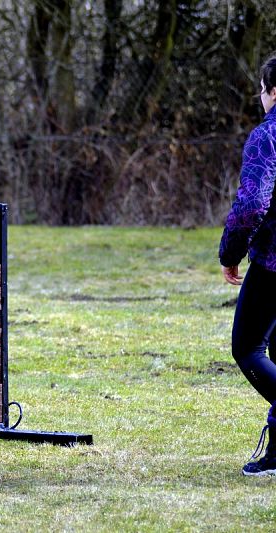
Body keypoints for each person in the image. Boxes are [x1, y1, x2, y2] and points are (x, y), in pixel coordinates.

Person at [219, 54, 276, 476]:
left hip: (275, 263)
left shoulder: (267, 136)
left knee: (247, 347)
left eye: (261, 88)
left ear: (274, 92)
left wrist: (230, 253)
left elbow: (252, 204)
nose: (259, 96)